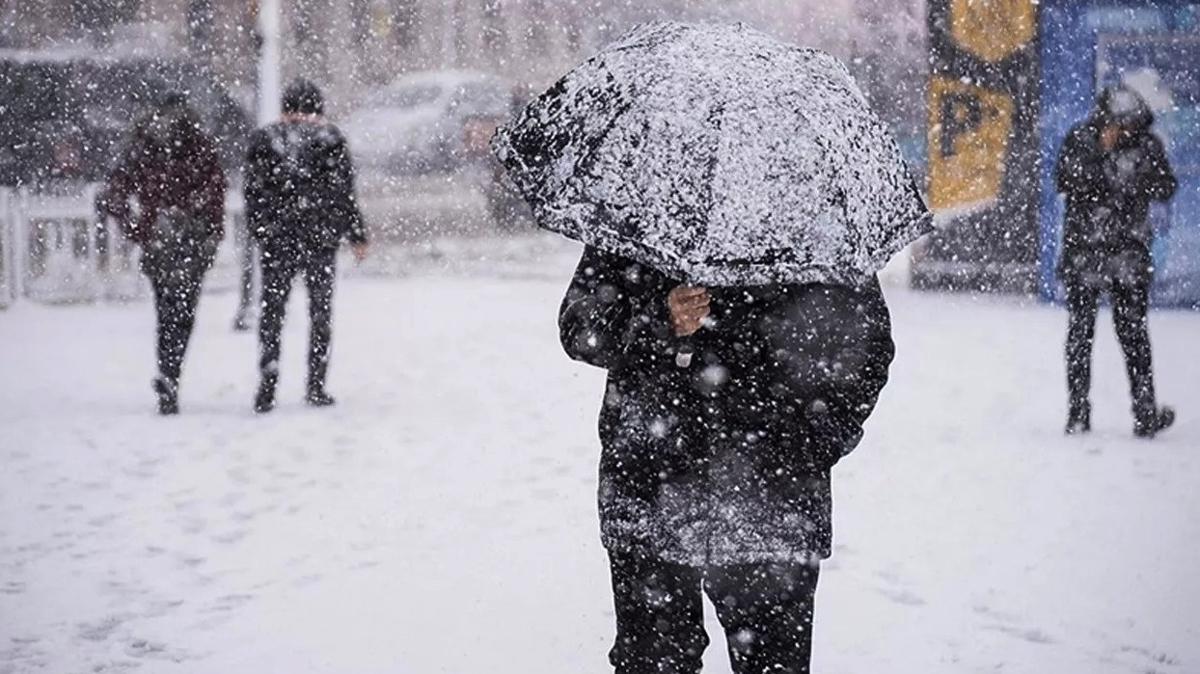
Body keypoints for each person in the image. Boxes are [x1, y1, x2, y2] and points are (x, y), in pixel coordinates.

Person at [559, 246, 894, 674]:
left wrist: (809, 443)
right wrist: (658, 320)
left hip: (772, 505)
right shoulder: (642, 208)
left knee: (773, 666)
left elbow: (867, 347)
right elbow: (580, 327)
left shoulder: (812, 218)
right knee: (652, 665)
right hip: (650, 490)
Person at [1055, 86, 1177, 438]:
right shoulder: (1081, 139)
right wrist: (1101, 156)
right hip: (1086, 253)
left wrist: (1136, 174)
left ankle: (1144, 413)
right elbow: (1065, 180)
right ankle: (1078, 412)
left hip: (1128, 254)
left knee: (1134, 335)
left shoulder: (1147, 145)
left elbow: (1166, 185)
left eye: (1130, 125)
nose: (1124, 131)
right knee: (1081, 333)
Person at [97, 91, 226, 415]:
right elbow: (215, 193)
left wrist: (138, 228)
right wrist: (212, 232)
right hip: (192, 239)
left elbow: (114, 193)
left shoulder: (142, 144)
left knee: (165, 311)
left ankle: (167, 373)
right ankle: (172, 373)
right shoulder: (199, 143)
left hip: (158, 238)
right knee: (184, 313)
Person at [244, 79, 369, 413]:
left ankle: (268, 375)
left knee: (273, 310)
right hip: (319, 239)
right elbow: (344, 193)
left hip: (278, 239)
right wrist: (356, 233)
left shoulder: (264, 140)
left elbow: (253, 193)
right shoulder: (330, 139)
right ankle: (316, 383)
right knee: (320, 312)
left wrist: (262, 230)